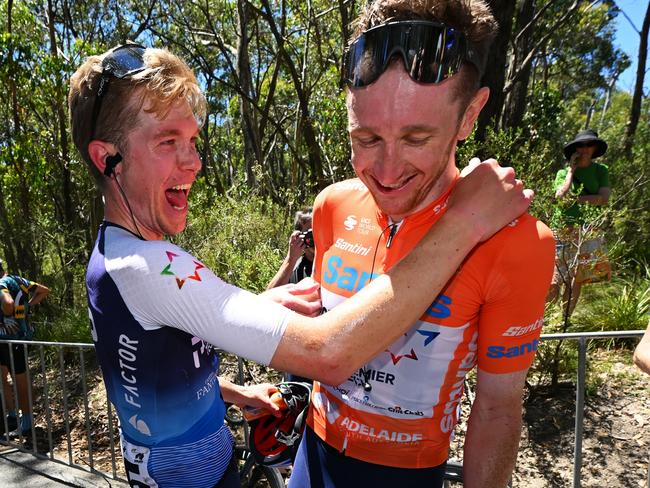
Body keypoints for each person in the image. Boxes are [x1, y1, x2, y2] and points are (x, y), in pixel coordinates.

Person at [69, 43, 530, 488]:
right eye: (168, 142)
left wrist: (235, 389)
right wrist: (463, 223)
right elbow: (327, 353)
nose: (194, 163)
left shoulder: (116, 257)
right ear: (107, 158)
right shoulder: (149, 267)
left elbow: (152, 372)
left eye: (192, 141)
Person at [287, 2, 556, 488]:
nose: (386, 173)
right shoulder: (332, 206)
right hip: (313, 454)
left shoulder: (518, 242)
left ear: (469, 115)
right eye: (365, 138)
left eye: (416, 138)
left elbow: (497, 408)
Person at [548, 128, 611, 316]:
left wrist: (575, 200)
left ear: (594, 149)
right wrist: (570, 172)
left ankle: (564, 321)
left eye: (589, 145)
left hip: (587, 229)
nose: (584, 149)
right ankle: (546, 320)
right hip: (562, 228)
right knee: (555, 278)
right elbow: (559, 195)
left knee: (577, 276)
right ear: (575, 149)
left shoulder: (601, 171)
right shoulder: (562, 172)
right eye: (580, 145)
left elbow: (603, 198)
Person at [0, 259, 50, 436]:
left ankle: (26, 422)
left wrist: (9, 312)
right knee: (4, 375)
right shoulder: (18, 280)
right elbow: (44, 291)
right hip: (19, 335)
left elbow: (7, 304)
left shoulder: (1, 285)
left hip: (10, 339)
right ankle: (13, 415)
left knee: (18, 379)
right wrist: (27, 306)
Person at [267, 209, 314, 289]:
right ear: (299, 237)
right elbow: (269, 296)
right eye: (311, 235)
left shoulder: (335, 262)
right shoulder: (293, 268)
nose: (318, 238)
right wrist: (290, 258)